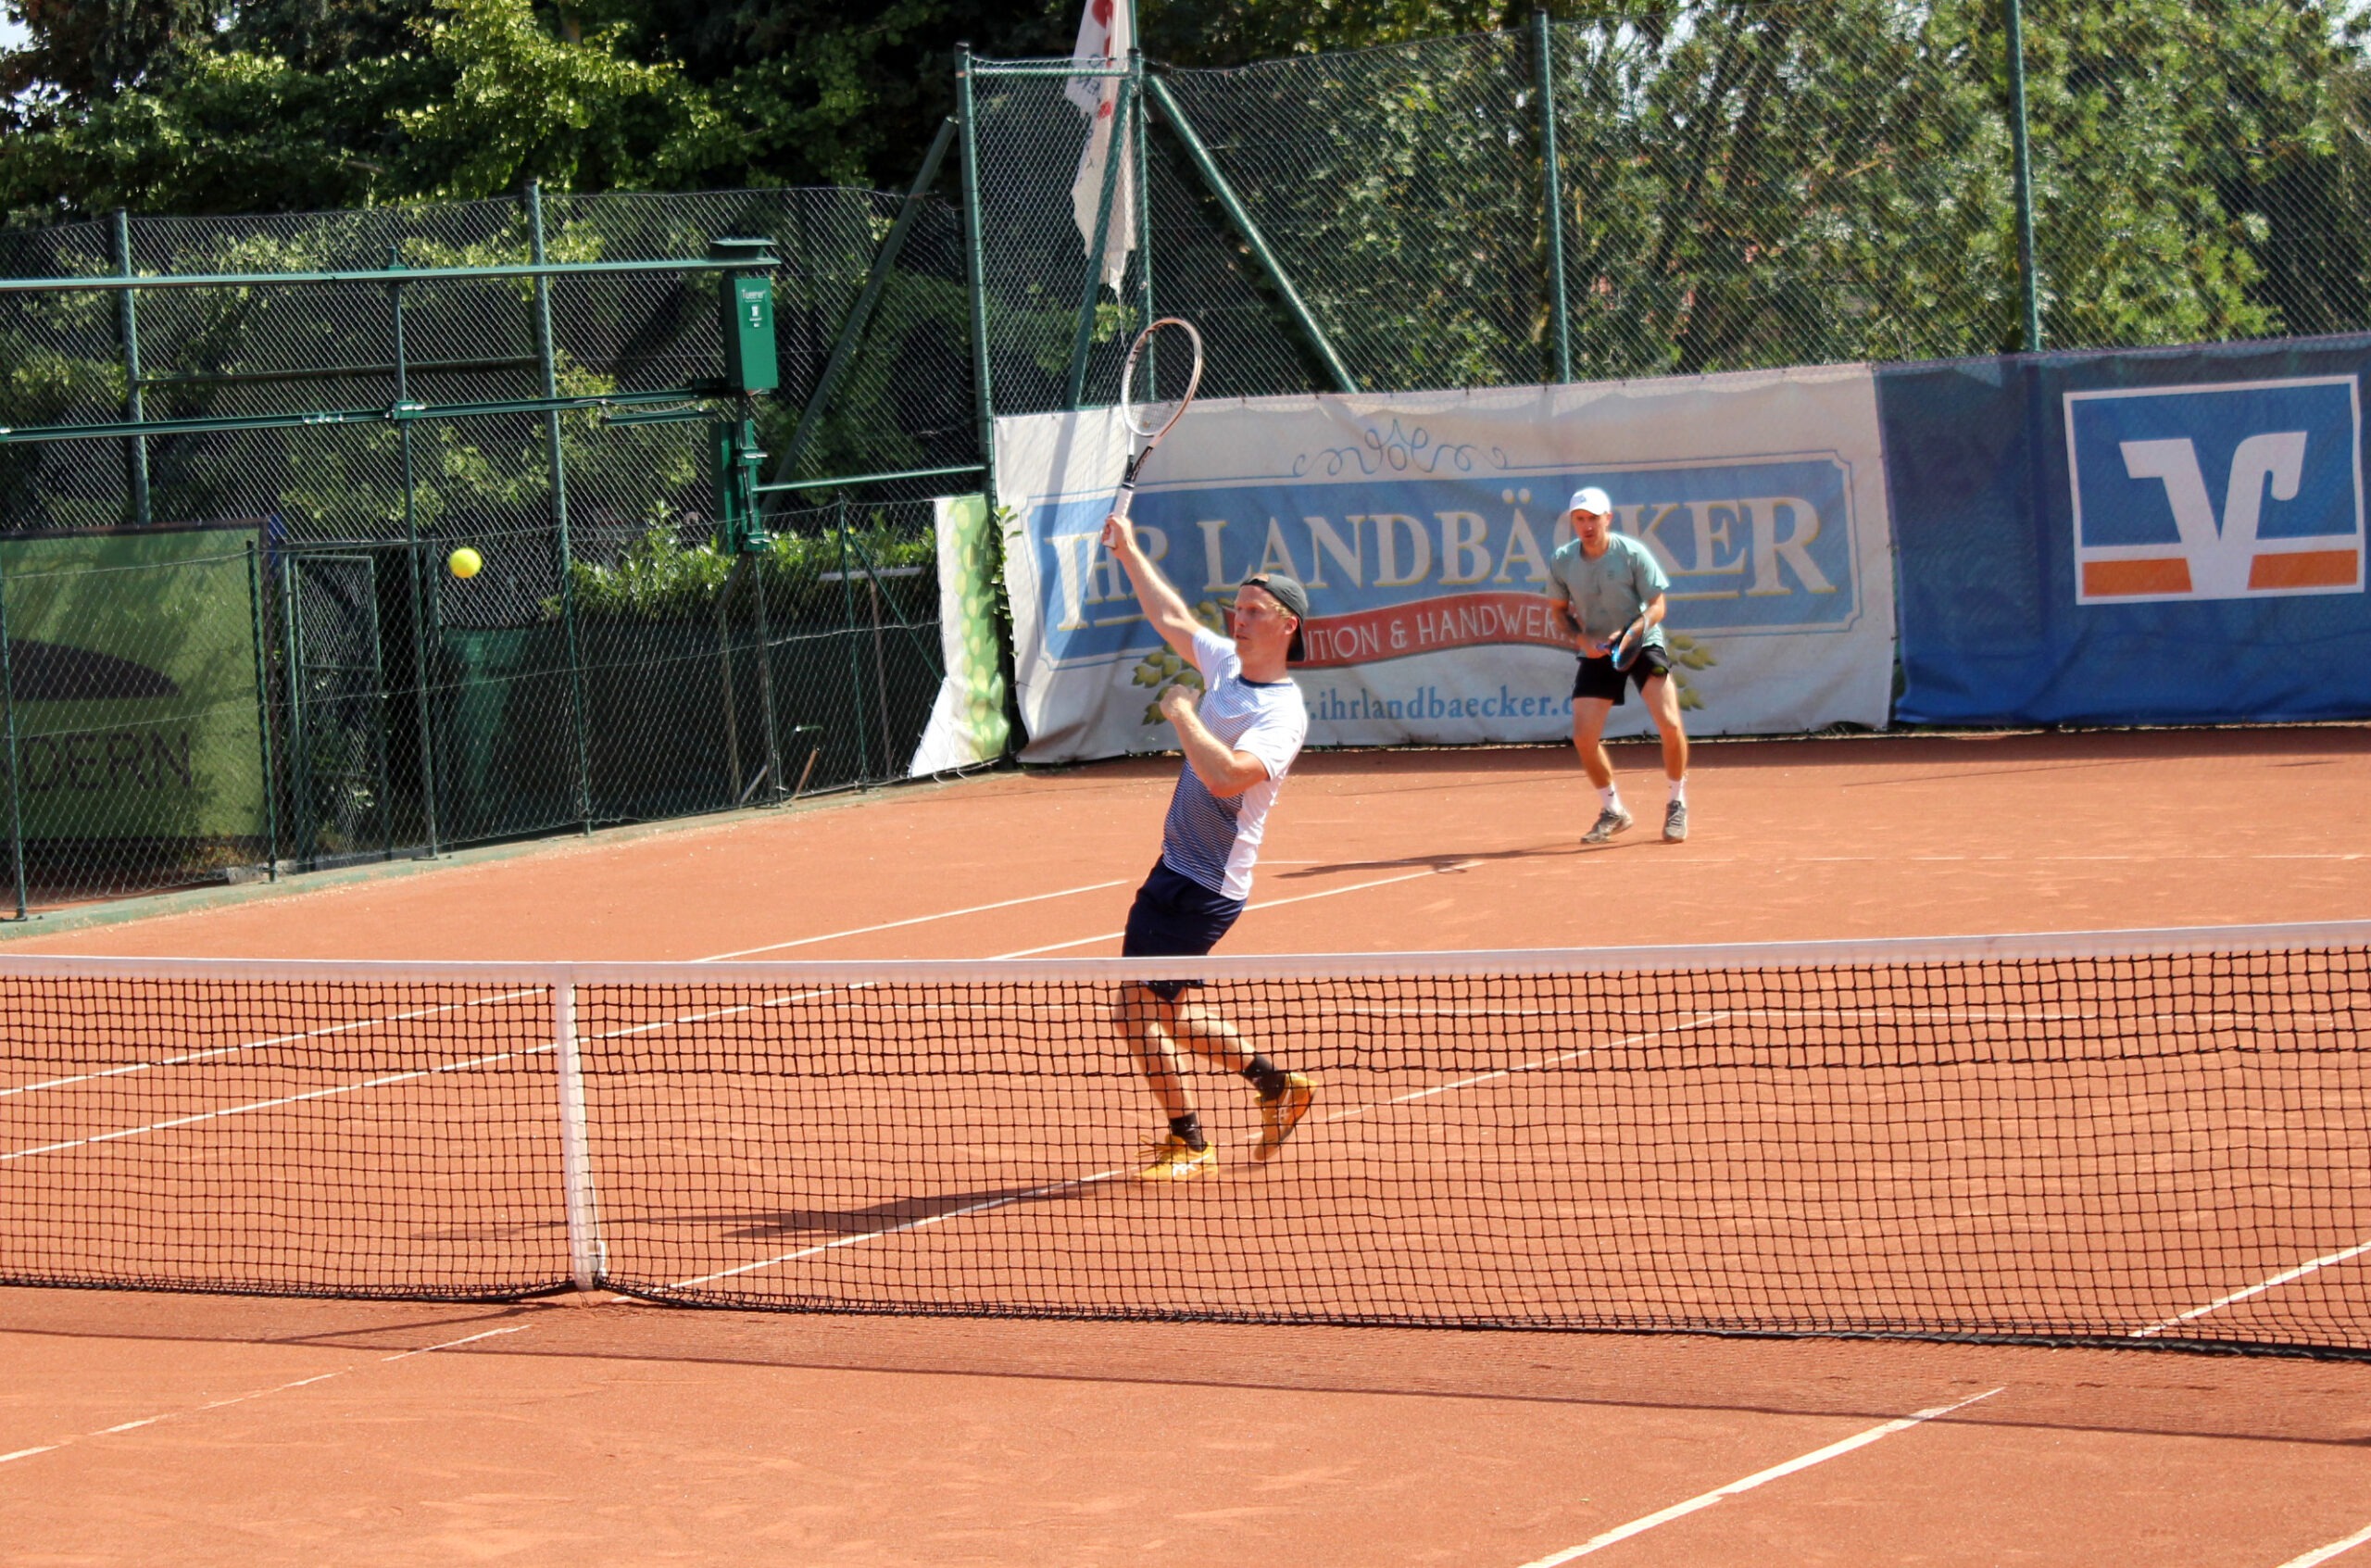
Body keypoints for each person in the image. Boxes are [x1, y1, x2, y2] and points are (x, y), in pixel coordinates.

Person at [1098, 509, 1316, 1182]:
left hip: (1205, 885)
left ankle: (1190, 1139)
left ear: (1287, 625)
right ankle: (1277, 1085)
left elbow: (1226, 777)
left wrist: (1183, 713)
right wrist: (1129, 550)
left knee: (1135, 1012)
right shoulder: (1225, 663)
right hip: (1177, 868)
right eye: (1237, 609)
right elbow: (1170, 616)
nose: (1238, 620)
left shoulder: (1281, 713)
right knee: (1170, 1010)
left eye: (1254, 611)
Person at [1546, 486, 1691, 844]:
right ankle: (1613, 810)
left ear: (1607, 519)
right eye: (1580, 519)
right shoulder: (1563, 560)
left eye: (1593, 519)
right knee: (1583, 738)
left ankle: (1677, 802)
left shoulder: (1632, 554)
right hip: (1597, 650)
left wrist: (1632, 632)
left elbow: (1658, 606)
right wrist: (1583, 641)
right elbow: (1560, 613)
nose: (1587, 526)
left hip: (1641, 643)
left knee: (1670, 723)